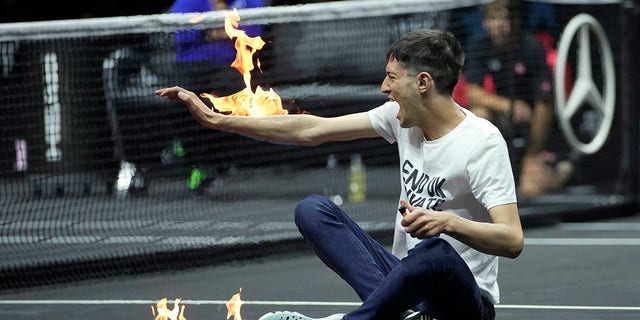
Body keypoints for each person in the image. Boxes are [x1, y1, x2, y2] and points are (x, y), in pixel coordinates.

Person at [156, 28, 524, 320]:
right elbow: (310, 129)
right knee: (313, 210)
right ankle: (400, 314)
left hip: (462, 304)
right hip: (404, 286)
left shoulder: (481, 143)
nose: (384, 88)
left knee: (435, 253)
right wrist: (218, 120)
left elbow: (511, 240)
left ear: (423, 83)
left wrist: (447, 222)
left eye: (392, 78)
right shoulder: (398, 119)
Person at [462, 0, 573, 199]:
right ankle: (483, 173)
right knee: (479, 114)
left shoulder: (531, 47)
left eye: (503, 19)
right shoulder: (480, 46)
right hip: (508, 119)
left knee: (531, 190)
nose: (498, 25)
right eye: (493, 19)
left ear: (514, 21)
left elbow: (545, 103)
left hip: (536, 125)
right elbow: (472, 93)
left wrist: (533, 152)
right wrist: (509, 106)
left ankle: (563, 170)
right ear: (485, 22)